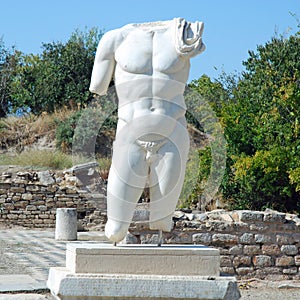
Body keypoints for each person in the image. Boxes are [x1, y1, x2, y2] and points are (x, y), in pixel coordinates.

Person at [89, 18, 205, 242]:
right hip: (130, 132)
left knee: (162, 221)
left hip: (172, 133)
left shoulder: (186, 35)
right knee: (115, 229)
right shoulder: (114, 39)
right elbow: (99, 86)